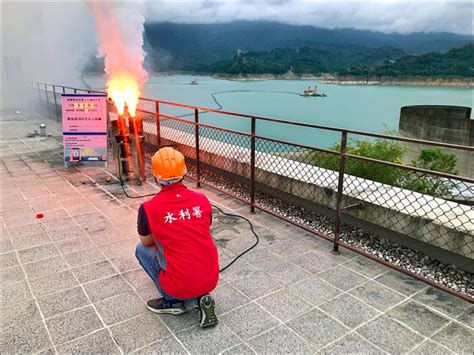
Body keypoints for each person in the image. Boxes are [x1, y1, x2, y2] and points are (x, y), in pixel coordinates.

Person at [135, 147, 219, 328]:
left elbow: (146, 242)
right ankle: (200, 295)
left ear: (156, 177)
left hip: (179, 285)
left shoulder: (149, 208)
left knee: (141, 250)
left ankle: (172, 301)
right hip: (210, 279)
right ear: (184, 173)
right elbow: (203, 228)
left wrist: (165, 231)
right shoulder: (202, 200)